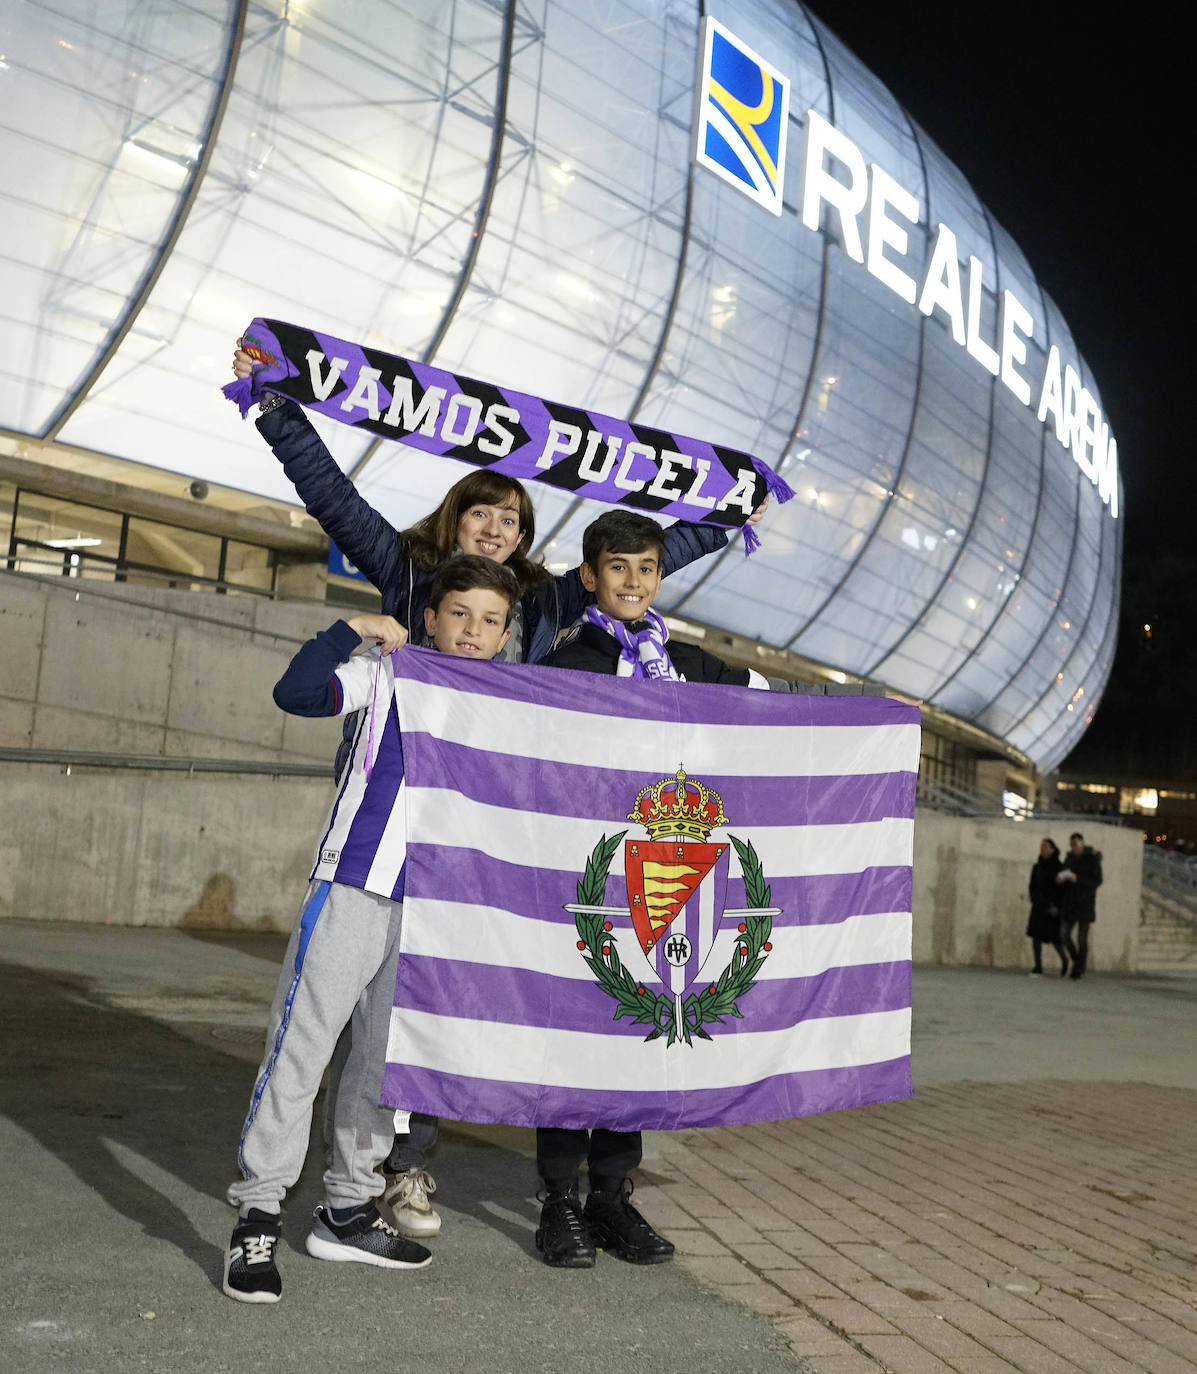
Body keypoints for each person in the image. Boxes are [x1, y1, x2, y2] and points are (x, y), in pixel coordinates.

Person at [230, 345, 767, 1230]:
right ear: (454, 523)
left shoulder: (548, 606)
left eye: (511, 519)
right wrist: (280, 412)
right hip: (387, 833)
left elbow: (634, 561)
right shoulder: (409, 584)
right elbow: (335, 500)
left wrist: (726, 512)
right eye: (481, 511)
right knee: (326, 1033)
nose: (494, 528)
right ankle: (297, 1203)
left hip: (479, 852)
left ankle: (393, 1174)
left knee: (417, 1030)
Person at [222, 556, 519, 1303]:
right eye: (459, 614)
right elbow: (295, 692)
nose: (472, 632)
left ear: (507, 634)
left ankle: (346, 1210)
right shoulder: (383, 673)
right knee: (301, 1051)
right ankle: (257, 1215)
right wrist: (349, 629)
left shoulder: (510, 707)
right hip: (353, 889)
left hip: (435, 914)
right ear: (429, 617)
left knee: (386, 1071)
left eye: (489, 620)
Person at [532, 510, 774, 1271]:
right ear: (589, 578)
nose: (634, 583)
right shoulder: (565, 664)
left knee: (642, 1035)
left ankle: (610, 1194)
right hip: (586, 877)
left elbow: (778, 704)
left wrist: (878, 722)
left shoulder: (688, 663)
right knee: (579, 1038)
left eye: (647, 569)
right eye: (618, 569)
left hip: (664, 879)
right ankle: (558, 1201)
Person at [1056, 831, 1103, 980]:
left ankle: (1079, 966)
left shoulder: (1092, 858)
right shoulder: (1069, 858)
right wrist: (1061, 879)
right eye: (1072, 844)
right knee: (1064, 934)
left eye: (1076, 844)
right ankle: (1078, 962)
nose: (1074, 847)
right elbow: (1063, 873)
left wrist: (1079, 879)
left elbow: (1097, 881)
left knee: (1082, 938)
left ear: (1082, 843)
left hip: (1085, 904)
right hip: (1069, 903)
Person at [1026, 838, 1067, 976]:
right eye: (1041, 846)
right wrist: (1035, 900)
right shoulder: (1037, 867)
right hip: (1039, 906)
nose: (1042, 849)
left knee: (1055, 939)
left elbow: (1062, 890)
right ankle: (1038, 966)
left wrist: (1057, 906)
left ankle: (1065, 960)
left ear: (1052, 849)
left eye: (1046, 846)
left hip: (1053, 908)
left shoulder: (1059, 867)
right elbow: (1032, 887)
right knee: (1036, 938)